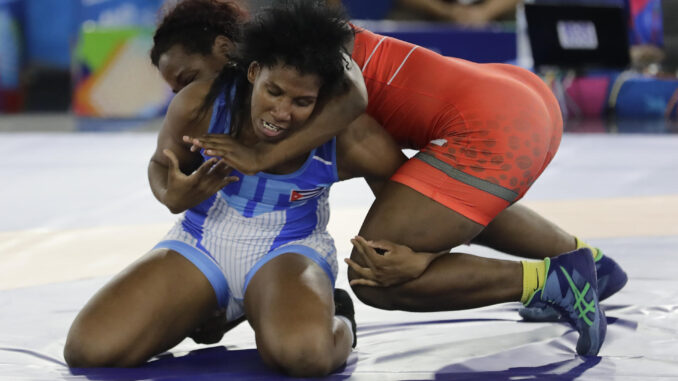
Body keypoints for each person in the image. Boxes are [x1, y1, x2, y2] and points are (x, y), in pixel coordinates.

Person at [153, 0, 627, 355]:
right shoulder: (292, 46)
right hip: (514, 98)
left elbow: (354, 96)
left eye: (187, 77)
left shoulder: (300, 59)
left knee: (374, 273)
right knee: (432, 210)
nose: (184, 93)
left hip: (494, 125)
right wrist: (428, 247)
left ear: (225, 49)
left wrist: (259, 158)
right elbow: (412, 196)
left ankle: (553, 280)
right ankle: (588, 262)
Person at [63, 3, 405, 376]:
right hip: (200, 243)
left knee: (304, 357)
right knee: (89, 349)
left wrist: (392, 244)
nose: (282, 112)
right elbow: (161, 164)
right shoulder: (200, 103)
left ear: (322, 99)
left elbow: (404, 189)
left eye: (302, 101)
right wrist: (172, 196)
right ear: (254, 72)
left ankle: (339, 319)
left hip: (288, 250)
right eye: (273, 92)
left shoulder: (349, 136)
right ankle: (239, 307)